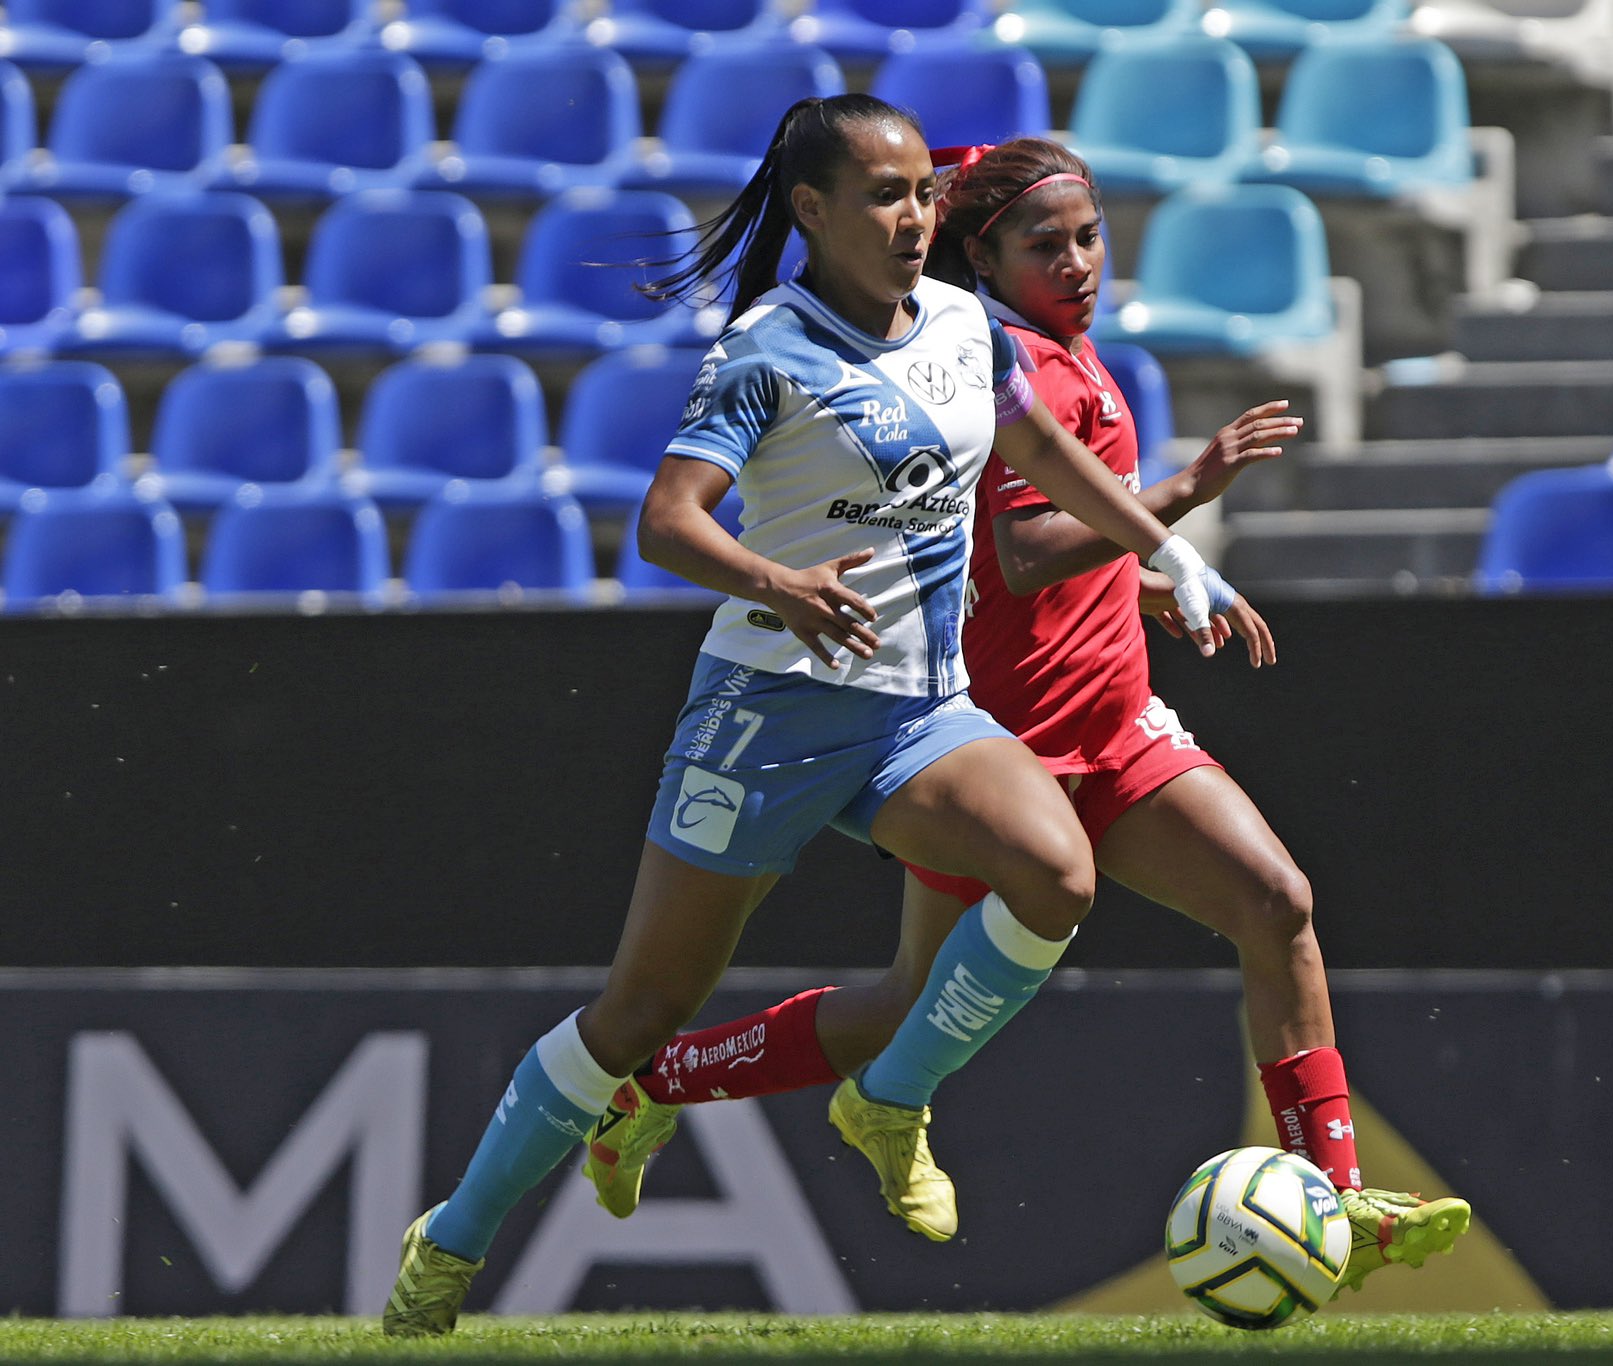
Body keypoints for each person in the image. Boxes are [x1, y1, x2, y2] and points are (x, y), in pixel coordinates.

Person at [382, 99, 1233, 1337]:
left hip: (915, 717)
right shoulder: (767, 348)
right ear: (811, 211)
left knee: (1056, 872)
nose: (911, 217)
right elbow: (666, 521)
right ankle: (452, 1240)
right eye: (882, 195)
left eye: (921, 194)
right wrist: (779, 583)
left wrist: (1166, 546)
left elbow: (1038, 450)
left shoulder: (960, 322)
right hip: (766, 717)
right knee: (638, 1015)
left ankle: (887, 1100)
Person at [578, 137, 1472, 1295]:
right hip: (1002, 751)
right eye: (1043, 245)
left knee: (1278, 903)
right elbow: (1024, 546)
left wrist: (1145, 588)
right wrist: (1180, 503)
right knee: (903, 1004)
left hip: (1113, 727)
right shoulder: (996, 366)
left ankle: (1335, 1201)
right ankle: (657, 1084)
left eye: (1088, 238)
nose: (1077, 261)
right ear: (984, 260)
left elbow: (1027, 566)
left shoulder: (1074, 356)